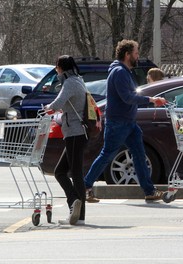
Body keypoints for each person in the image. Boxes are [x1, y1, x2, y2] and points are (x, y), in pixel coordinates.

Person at [84, 39, 167, 202]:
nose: (138, 56)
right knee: (107, 155)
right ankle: (85, 186)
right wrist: (151, 100)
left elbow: (129, 97)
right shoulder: (119, 72)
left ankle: (149, 191)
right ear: (127, 54)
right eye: (136, 53)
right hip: (118, 123)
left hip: (128, 122)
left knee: (139, 154)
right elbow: (128, 98)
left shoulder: (124, 71)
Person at [44, 55, 99, 225]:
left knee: (75, 173)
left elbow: (59, 101)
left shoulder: (70, 83)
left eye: (57, 67)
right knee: (61, 172)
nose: (56, 70)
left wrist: (48, 108)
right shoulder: (77, 80)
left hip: (75, 132)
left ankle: (79, 214)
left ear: (62, 67)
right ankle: (74, 204)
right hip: (74, 133)